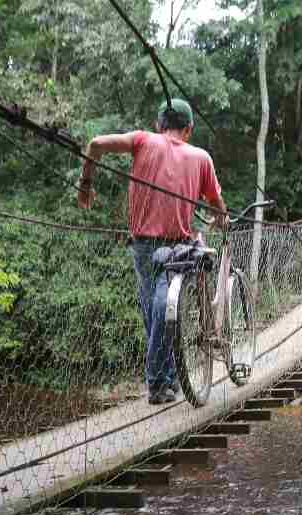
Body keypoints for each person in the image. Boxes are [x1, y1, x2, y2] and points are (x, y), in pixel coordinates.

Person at [76, 98, 227, 405]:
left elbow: (95, 144)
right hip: (181, 248)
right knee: (162, 314)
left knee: (156, 312)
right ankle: (166, 381)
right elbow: (217, 205)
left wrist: (85, 183)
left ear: (159, 124)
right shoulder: (201, 157)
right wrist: (221, 218)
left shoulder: (142, 140)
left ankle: (158, 382)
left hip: (146, 246)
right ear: (189, 129)